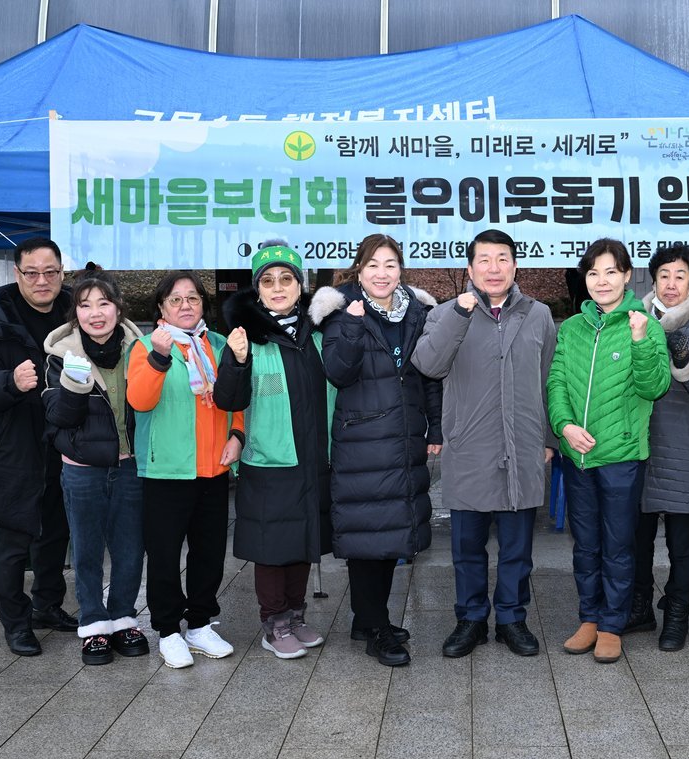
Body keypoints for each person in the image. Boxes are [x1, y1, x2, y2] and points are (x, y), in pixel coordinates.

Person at [411, 229, 557, 659]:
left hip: (523, 446)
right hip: (469, 449)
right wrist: (460, 314)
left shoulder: (538, 314)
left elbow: (549, 379)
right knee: (467, 549)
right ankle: (471, 619)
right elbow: (428, 364)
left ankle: (512, 619)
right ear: (470, 268)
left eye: (502, 258)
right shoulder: (446, 313)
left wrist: (548, 438)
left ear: (515, 265)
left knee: (517, 550)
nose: (494, 268)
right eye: (484, 260)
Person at [311, 234, 443, 667]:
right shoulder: (341, 312)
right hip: (362, 440)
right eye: (373, 265)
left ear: (401, 269)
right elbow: (338, 372)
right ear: (359, 269)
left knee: (392, 532)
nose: (382, 273)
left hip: (404, 437)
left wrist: (437, 425)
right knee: (368, 533)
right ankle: (376, 627)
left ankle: (366, 619)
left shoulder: (418, 313)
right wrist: (351, 326)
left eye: (390, 264)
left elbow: (428, 375)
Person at [547, 238, 670, 663]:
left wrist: (639, 340)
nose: (602, 281)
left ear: (627, 277)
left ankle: (612, 625)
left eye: (611, 272)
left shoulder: (645, 324)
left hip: (621, 456)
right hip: (577, 457)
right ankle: (589, 617)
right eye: (594, 272)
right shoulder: (571, 328)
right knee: (585, 545)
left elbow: (655, 387)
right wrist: (564, 427)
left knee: (618, 545)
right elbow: (557, 382)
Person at [213, 244, 333, 661]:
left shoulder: (318, 335)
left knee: (304, 541)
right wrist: (238, 361)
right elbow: (228, 399)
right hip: (270, 461)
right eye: (267, 281)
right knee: (272, 547)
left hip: (313, 458)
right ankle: (274, 623)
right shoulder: (247, 338)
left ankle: (296, 616)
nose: (277, 287)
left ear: (300, 286)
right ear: (257, 290)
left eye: (286, 279)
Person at [0, 237, 77, 657]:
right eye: (32, 273)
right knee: (12, 542)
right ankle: (15, 622)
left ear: (62, 272)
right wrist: (9, 382)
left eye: (50, 272)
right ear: (17, 273)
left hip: (62, 445)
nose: (42, 281)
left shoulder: (75, 313)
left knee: (55, 533)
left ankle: (47, 605)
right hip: (11, 451)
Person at [127, 270, 244, 668]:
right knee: (163, 554)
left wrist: (238, 435)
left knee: (209, 553)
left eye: (193, 298)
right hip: (166, 470)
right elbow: (140, 401)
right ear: (161, 308)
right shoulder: (146, 346)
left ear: (203, 305)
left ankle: (199, 624)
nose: (185, 306)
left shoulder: (221, 345)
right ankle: (167, 630)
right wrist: (160, 358)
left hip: (213, 468)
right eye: (175, 299)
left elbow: (237, 398)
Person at [43, 274, 148, 665]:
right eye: (85, 305)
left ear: (118, 308)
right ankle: (93, 624)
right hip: (82, 468)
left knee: (130, 549)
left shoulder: (140, 350)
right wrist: (74, 383)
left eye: (103, 303)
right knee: (86, 551)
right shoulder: (60, 355)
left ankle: (122, 619)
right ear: (76, 314)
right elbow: (58, 416)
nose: (95, 313)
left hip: (131, 466)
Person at [629, 244, 689, 651]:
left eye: (680, 276)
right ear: (653, 280)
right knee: (635, 538)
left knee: (682, 543)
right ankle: (639, 608)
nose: (671, 284)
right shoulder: (633, 322)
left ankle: (678, 614)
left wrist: (685, 360)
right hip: (636, 445)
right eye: (664, 275)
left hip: (683, 448)